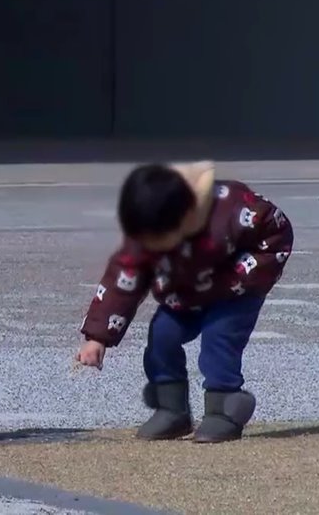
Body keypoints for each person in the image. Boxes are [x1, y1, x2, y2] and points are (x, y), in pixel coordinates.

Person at [74, 161, 294, 443]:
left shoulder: (233, 208)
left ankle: (223, 407)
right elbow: (123, 280)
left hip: (234, 290)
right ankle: (171, 408)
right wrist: (97, 337)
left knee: (218, 339)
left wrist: (241, 276)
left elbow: (277, 236)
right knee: (162, 337)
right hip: (184, 292)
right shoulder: (146, 229)